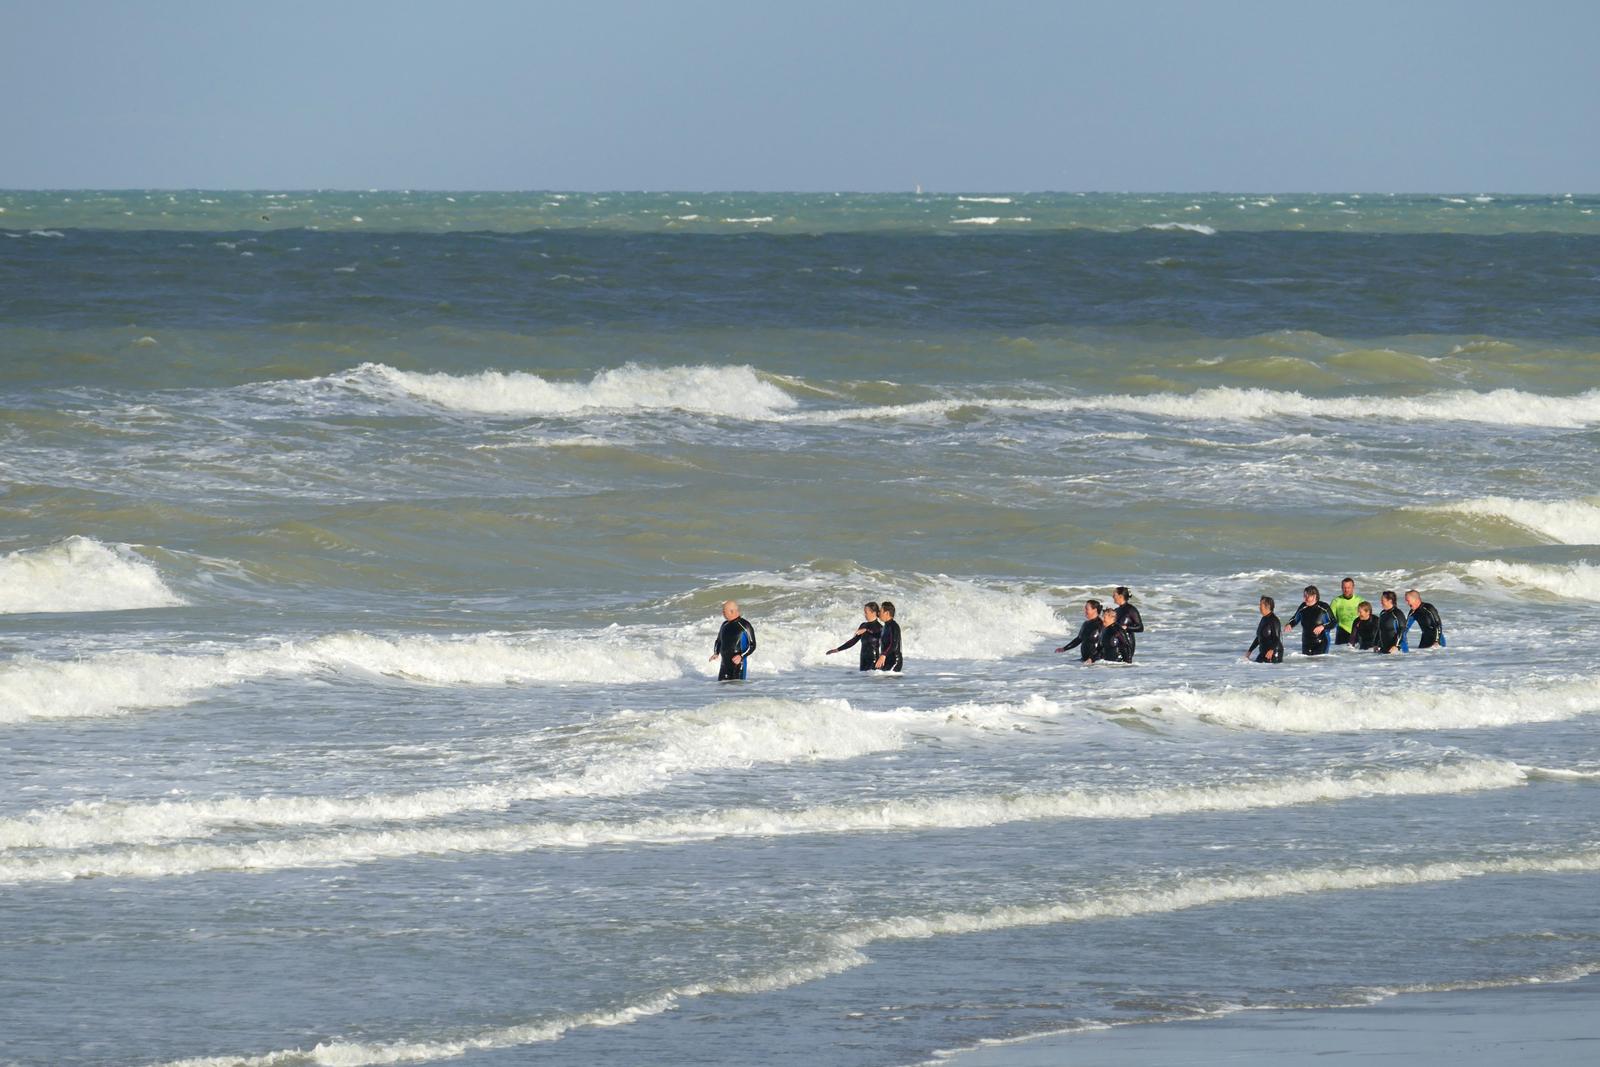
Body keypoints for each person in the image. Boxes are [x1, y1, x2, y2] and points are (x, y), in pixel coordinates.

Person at [708, 600, 757, 680]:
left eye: (724, 611)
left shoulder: (745, 625)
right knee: (722, 689)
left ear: (732, 611)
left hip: (738, 665)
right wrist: (716, 653)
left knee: (736, 691)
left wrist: (741, 656)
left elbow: (752, 645)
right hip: (724, 665)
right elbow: (718, 641)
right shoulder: (724, 625)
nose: (722, 613)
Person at [827, 602, 883, 671]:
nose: (864, 615)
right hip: (863, 658)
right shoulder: (863, 625)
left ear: (873, 613)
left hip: (874, 659)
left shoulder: (880, 627)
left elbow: (878, 634)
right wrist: (838, 649)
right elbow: (853, 641)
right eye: (864, 612)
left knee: (871, 680)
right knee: (863, 679)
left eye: (866, 612)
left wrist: (867, 630)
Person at [1285, 584, 1334, 656]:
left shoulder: (1323, 607)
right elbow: (1295, 618)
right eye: (1304, 596)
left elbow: (1333, 621)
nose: (1304, 599)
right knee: (1307, 666)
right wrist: (1289, 624)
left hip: (1320, 643)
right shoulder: (1303, 607)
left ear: (1314, 596)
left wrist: (1323, 626)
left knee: (1318, 665)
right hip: (1306, 643)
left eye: (1307, 596)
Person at [1245, 595, 1284, 663]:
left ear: (1267, 606)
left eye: (1261, 605)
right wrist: (1250, 650)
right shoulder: (1264, 619)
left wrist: (1271, 650)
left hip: (1274, 653)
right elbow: (1259, 638)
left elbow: (1277, 638)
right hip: (1264, 652)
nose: (1259, 607)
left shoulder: (1274, 620)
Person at [1111, 587, 1144, 661]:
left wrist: (1126, 628)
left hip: (1127, 643)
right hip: (1116, 644)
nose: (1113, 597)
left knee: (1124, 667)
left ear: (1120, 596)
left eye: (1114, 595)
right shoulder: (1116, 610)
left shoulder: (1131, 609)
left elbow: (1140, 627)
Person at [1329, 577, 1361, 646]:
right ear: (1341, 588)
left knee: (1359, 655)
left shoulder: (1360, 601)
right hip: (1341, 634)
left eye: (1348, 587)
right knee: (1341, 655)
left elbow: (1368, 618)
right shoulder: (1336, 601)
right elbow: (1329, 619)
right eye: (1344, 587)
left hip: (1357, 634)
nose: (1346, 590)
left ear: (1353, 587)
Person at [875, 600, 903, 672]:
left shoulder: (894, 626)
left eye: (880, 611)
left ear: (887, 613)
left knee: (888, 681)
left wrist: (883, 655)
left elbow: (894, 643)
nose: (878, 614)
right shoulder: (885, 627)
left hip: (894, 662)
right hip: (886, 660)